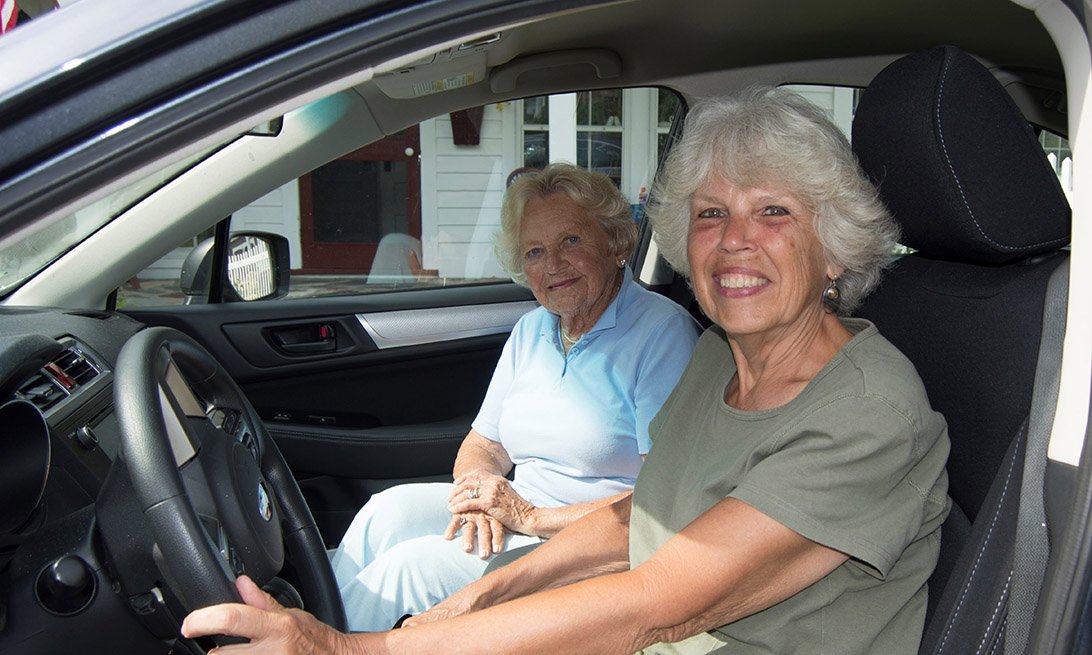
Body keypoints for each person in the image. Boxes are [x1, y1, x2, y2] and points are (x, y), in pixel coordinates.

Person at [183, 88, 950, 654]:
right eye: (712, 214)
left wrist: (353, 649)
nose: (734, 240)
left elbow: (654, 604)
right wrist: (479, 593)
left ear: (838, 246)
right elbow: (639, 518)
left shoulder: (871, 410)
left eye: (774, 212)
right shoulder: (723, 356)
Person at [328, 163, 700, 631]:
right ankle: (316, 631)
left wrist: (529, 516)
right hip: (517, 510)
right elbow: (485, 444)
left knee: (409, 569)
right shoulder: (531, 330)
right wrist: (480, 495)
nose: (553, 265)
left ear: (616, 242)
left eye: (571, 241)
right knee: (385, 513)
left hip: (586, 547)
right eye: (535, 251)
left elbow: (660, 500)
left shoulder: (661, 334)